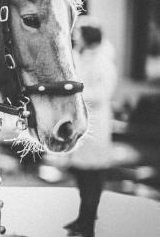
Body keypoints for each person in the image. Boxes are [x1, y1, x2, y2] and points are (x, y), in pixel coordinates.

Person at [64, 16, 118, 237]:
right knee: (81, 176)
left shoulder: (102, 61)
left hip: (96, 126)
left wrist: (76, 92)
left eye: (79, 34)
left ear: (88, 37)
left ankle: (88, 223)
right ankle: (82, 218)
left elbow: (103, 93)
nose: (75, 37)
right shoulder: (80, 56)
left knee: (93, 178)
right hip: (82, 123)